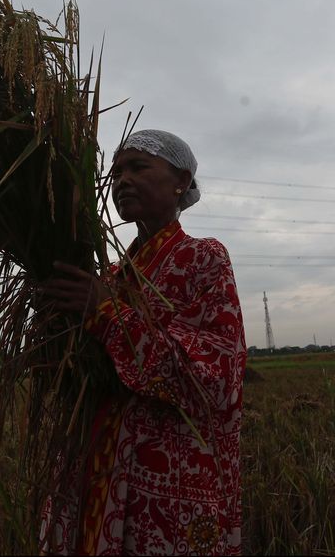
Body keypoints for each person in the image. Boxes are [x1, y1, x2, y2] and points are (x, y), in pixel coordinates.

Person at [40, 129, 246, 555]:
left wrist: (107, 314)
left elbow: (217, 378)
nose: (121, 180)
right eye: (115, 172)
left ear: (182, 181)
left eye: (137, 167)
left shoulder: (204, 257)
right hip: (97, 470)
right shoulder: (110, 276)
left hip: (168, 488)